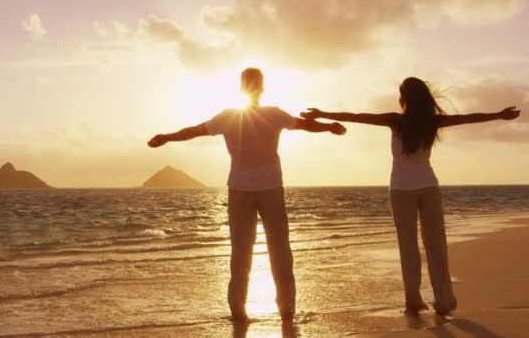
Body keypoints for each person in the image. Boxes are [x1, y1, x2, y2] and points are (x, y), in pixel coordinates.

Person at [301, 76, 521, 316]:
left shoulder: (395, 121)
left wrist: (323, 113)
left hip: (400, 190)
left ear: (404, 98)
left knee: (408, 247)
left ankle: (413, 301)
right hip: (428, 188)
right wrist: (499, 115)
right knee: (436, 245)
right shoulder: (433, 122)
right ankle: (444, 300)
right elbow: (468, 119)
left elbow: (357, 116)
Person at [148, 67, 347, 320]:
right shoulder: (270, 114)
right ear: (261, 88)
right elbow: (305, 125)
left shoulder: (233, 117)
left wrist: (166, 137)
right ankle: (285, 309)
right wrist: (329, 126)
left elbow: (194, 131)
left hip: (244, 190)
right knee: (279, 249)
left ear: (242, 88)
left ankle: (240, 310)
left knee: (243, 249)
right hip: (268, 188)